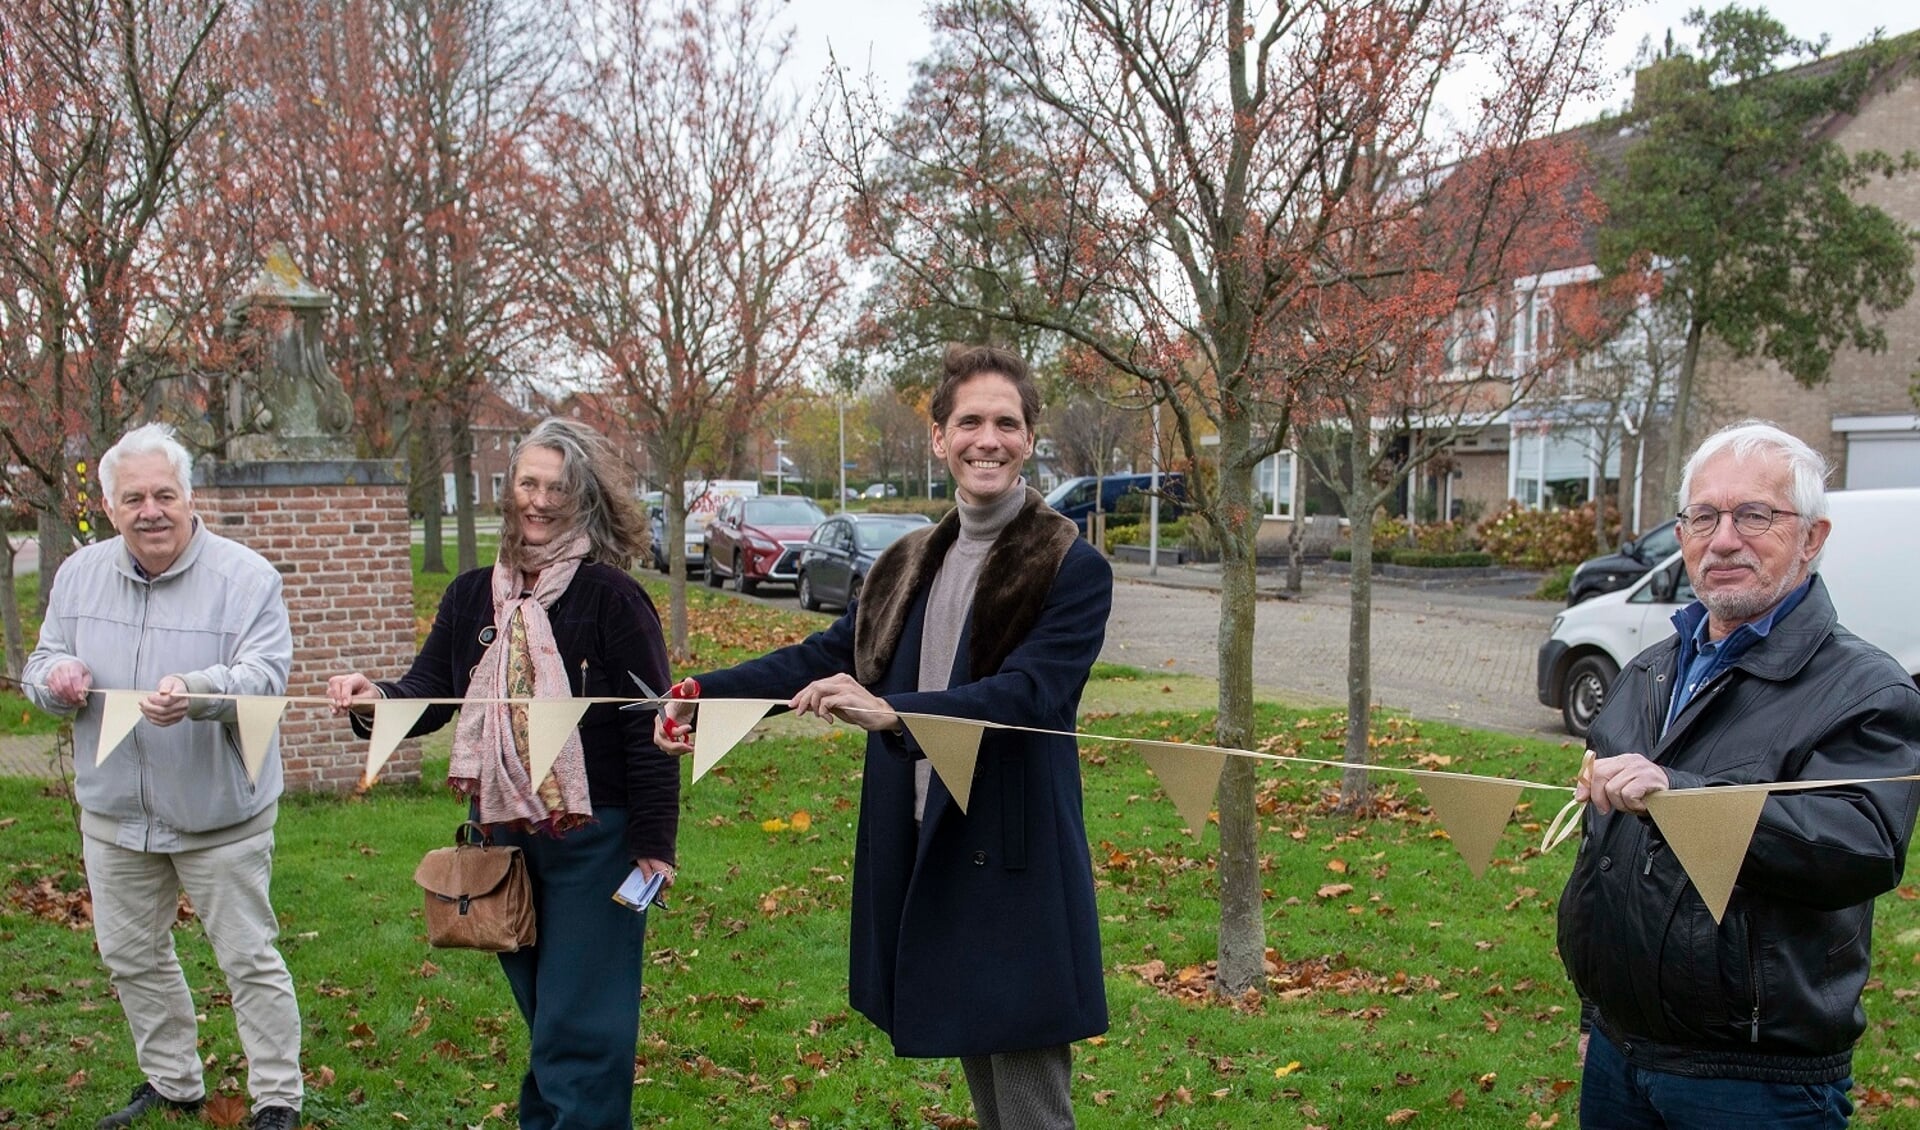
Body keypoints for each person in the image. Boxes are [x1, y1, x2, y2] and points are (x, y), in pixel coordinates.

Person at [657, 344, 1111, 1129]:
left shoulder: (1069, 564)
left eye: (1007, 422)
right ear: (939, 438)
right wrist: (705, 694)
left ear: (1030, 439)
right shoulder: (906, 562)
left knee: (1032, 1098)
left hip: (1013, 851)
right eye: (969, 421)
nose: (988, 439)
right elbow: (831, 657)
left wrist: (896, 715)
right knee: (984, 1072)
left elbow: (1032, 694)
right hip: (929, 837)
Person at [1556, 420, 1920, 1129]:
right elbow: (1606, 861)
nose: (1724, 539)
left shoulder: (1865, 689)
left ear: (1812, 538)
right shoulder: (1647, 673)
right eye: (1703, 516)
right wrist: (1597, 1012)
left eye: (1754, 515)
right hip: (1620, 1057)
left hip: (1756, 1081)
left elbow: (1859, 849)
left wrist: (1680, 798)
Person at [327, 417, 678, 1130]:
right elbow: (429, 692)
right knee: (549, 1018)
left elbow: (653, 727)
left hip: (596, 840)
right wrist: (376, 703)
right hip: (502, 843)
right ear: (509, 490)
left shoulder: (612, 597)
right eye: (528, 482)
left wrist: (653, 843)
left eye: (557, 487)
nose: (539, 500)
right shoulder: (469, 598)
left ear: (582, 499)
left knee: (581, 1028)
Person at [23, 423, 303, 1130]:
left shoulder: (246, 578)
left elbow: (266, 677)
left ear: (189, 498)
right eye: (134, 498)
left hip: (221, 816)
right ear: (110, 507)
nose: (151, 510)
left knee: (248, 959)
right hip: (115, 813)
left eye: (164, 495)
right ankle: (174, 1082)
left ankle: (276, 1098)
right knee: (129, 956)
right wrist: (55, 680)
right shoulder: (78, 575)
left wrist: (199, 690)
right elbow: (41, 661)